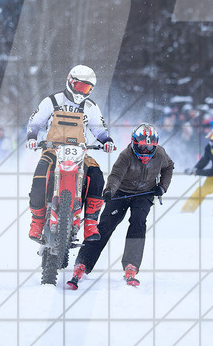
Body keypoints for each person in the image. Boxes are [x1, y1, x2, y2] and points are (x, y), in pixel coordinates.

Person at [68, 123, 173, 289]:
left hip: (144, 194)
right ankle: (83, 263)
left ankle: (131, 265)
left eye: (149, 147)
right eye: (142, 146)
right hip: (121, 192)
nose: (145, 150)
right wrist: (109, 191)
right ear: (134, 143)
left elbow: (169, 167)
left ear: (155, 145)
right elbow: (116, 175)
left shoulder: (160, 154)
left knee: (138, 222)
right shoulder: (126, 155)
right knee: (105, 226)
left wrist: (162, 186)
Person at [25, 64, 115, 243]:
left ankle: (90, 222)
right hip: (52, 150)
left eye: (87, 88)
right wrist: (32, 137)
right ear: (70, 82)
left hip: (80, 153)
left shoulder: (90, 107)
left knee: (97, 176)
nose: (82, 92)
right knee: (39, 177)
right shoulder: (52, 101)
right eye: (80, 87)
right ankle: (37, 221)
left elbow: (99, 130)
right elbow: (35, 122)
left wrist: (107, 141)